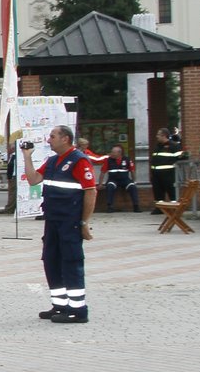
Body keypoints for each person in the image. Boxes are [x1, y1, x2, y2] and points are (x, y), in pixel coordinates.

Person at [23, 124, 97, 323]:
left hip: (70, 222)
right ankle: (60, 305)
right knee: (51, 261)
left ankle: (78, 310)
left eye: (53, 136)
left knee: (71, 262)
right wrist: (27, 156)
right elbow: (33, 180)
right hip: (53, 220)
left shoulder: (79, 161)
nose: (49, 140)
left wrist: (84, 222)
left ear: (65, 138)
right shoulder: (53, 161)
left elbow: (91, 191)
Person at [149, 128, 185, 206]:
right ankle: (159, 208)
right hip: (156, 175)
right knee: (158, 192)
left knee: (171, 192)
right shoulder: (157, 146)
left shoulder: (174, 146)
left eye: (158, 134)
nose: (156, 136)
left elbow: (181, 157)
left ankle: (174, 208)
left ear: (164, 135)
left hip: (168, 174)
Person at [101, 144, 140, 212]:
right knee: (110, 186)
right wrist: (100, 184)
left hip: (125, 180)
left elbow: (132, 171)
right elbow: (102, 172)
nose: (111, 153)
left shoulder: (127, 159)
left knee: (133, 187)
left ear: (119, 153)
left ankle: (136, 206)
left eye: (113, 152)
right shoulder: (108, 160)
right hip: (113, 180)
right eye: (111, 152)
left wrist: (134, 181)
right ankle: (110, 206)